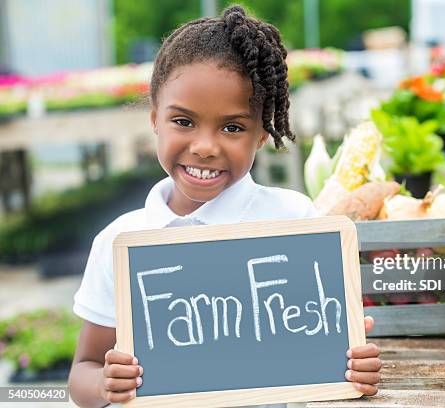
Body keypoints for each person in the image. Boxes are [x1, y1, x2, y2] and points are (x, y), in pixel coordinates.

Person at [68, 6, 382, 407]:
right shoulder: (120, 241)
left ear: (262, 135)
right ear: (154, 119)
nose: (204, 146)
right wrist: (104, 385)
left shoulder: (295, 223)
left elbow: (333, 364)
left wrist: (355, 370)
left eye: (232, 128)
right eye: (183, 121)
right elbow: (83, 371)